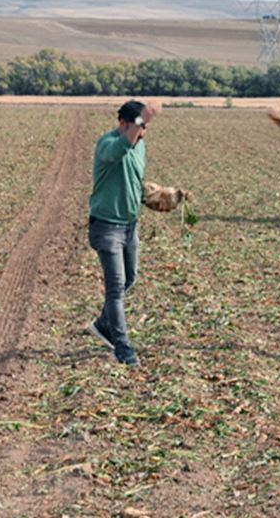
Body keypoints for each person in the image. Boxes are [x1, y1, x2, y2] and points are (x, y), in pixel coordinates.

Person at [86, 100, 162, 367]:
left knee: (130, 279)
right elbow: (119, 150)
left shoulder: (140, 146)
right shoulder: (107, 144)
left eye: (146, 127)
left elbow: (133, 180)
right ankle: (122, 346)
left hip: (130, 226)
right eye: (140, 126)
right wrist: (140, 121)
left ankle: (103, 324)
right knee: (116, 288)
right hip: (106, 227)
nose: (144, 132)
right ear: (123, 124)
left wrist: (156, 196)